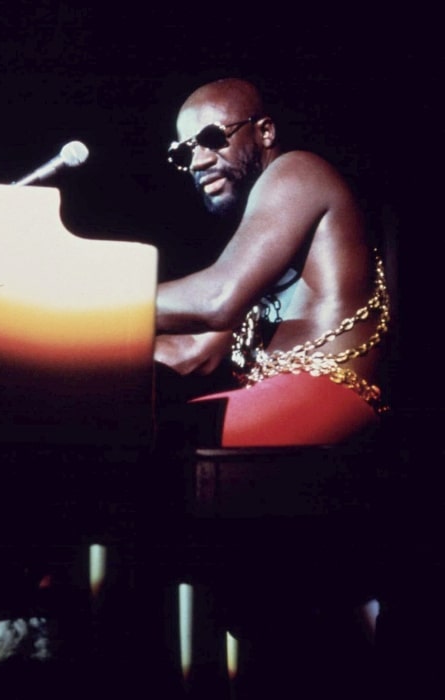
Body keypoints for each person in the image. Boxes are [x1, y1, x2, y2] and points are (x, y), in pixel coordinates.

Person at [154, 77, 391, 448]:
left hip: (326, 398)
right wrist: (71, 340)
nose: (198, 160)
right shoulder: (267, 232)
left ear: (265, 131)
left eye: (213, 138)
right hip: (281, 400)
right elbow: (193, 352)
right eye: (184, 153)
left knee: (145, 436)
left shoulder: (297, 171)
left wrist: (96, 299)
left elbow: (216, 299)